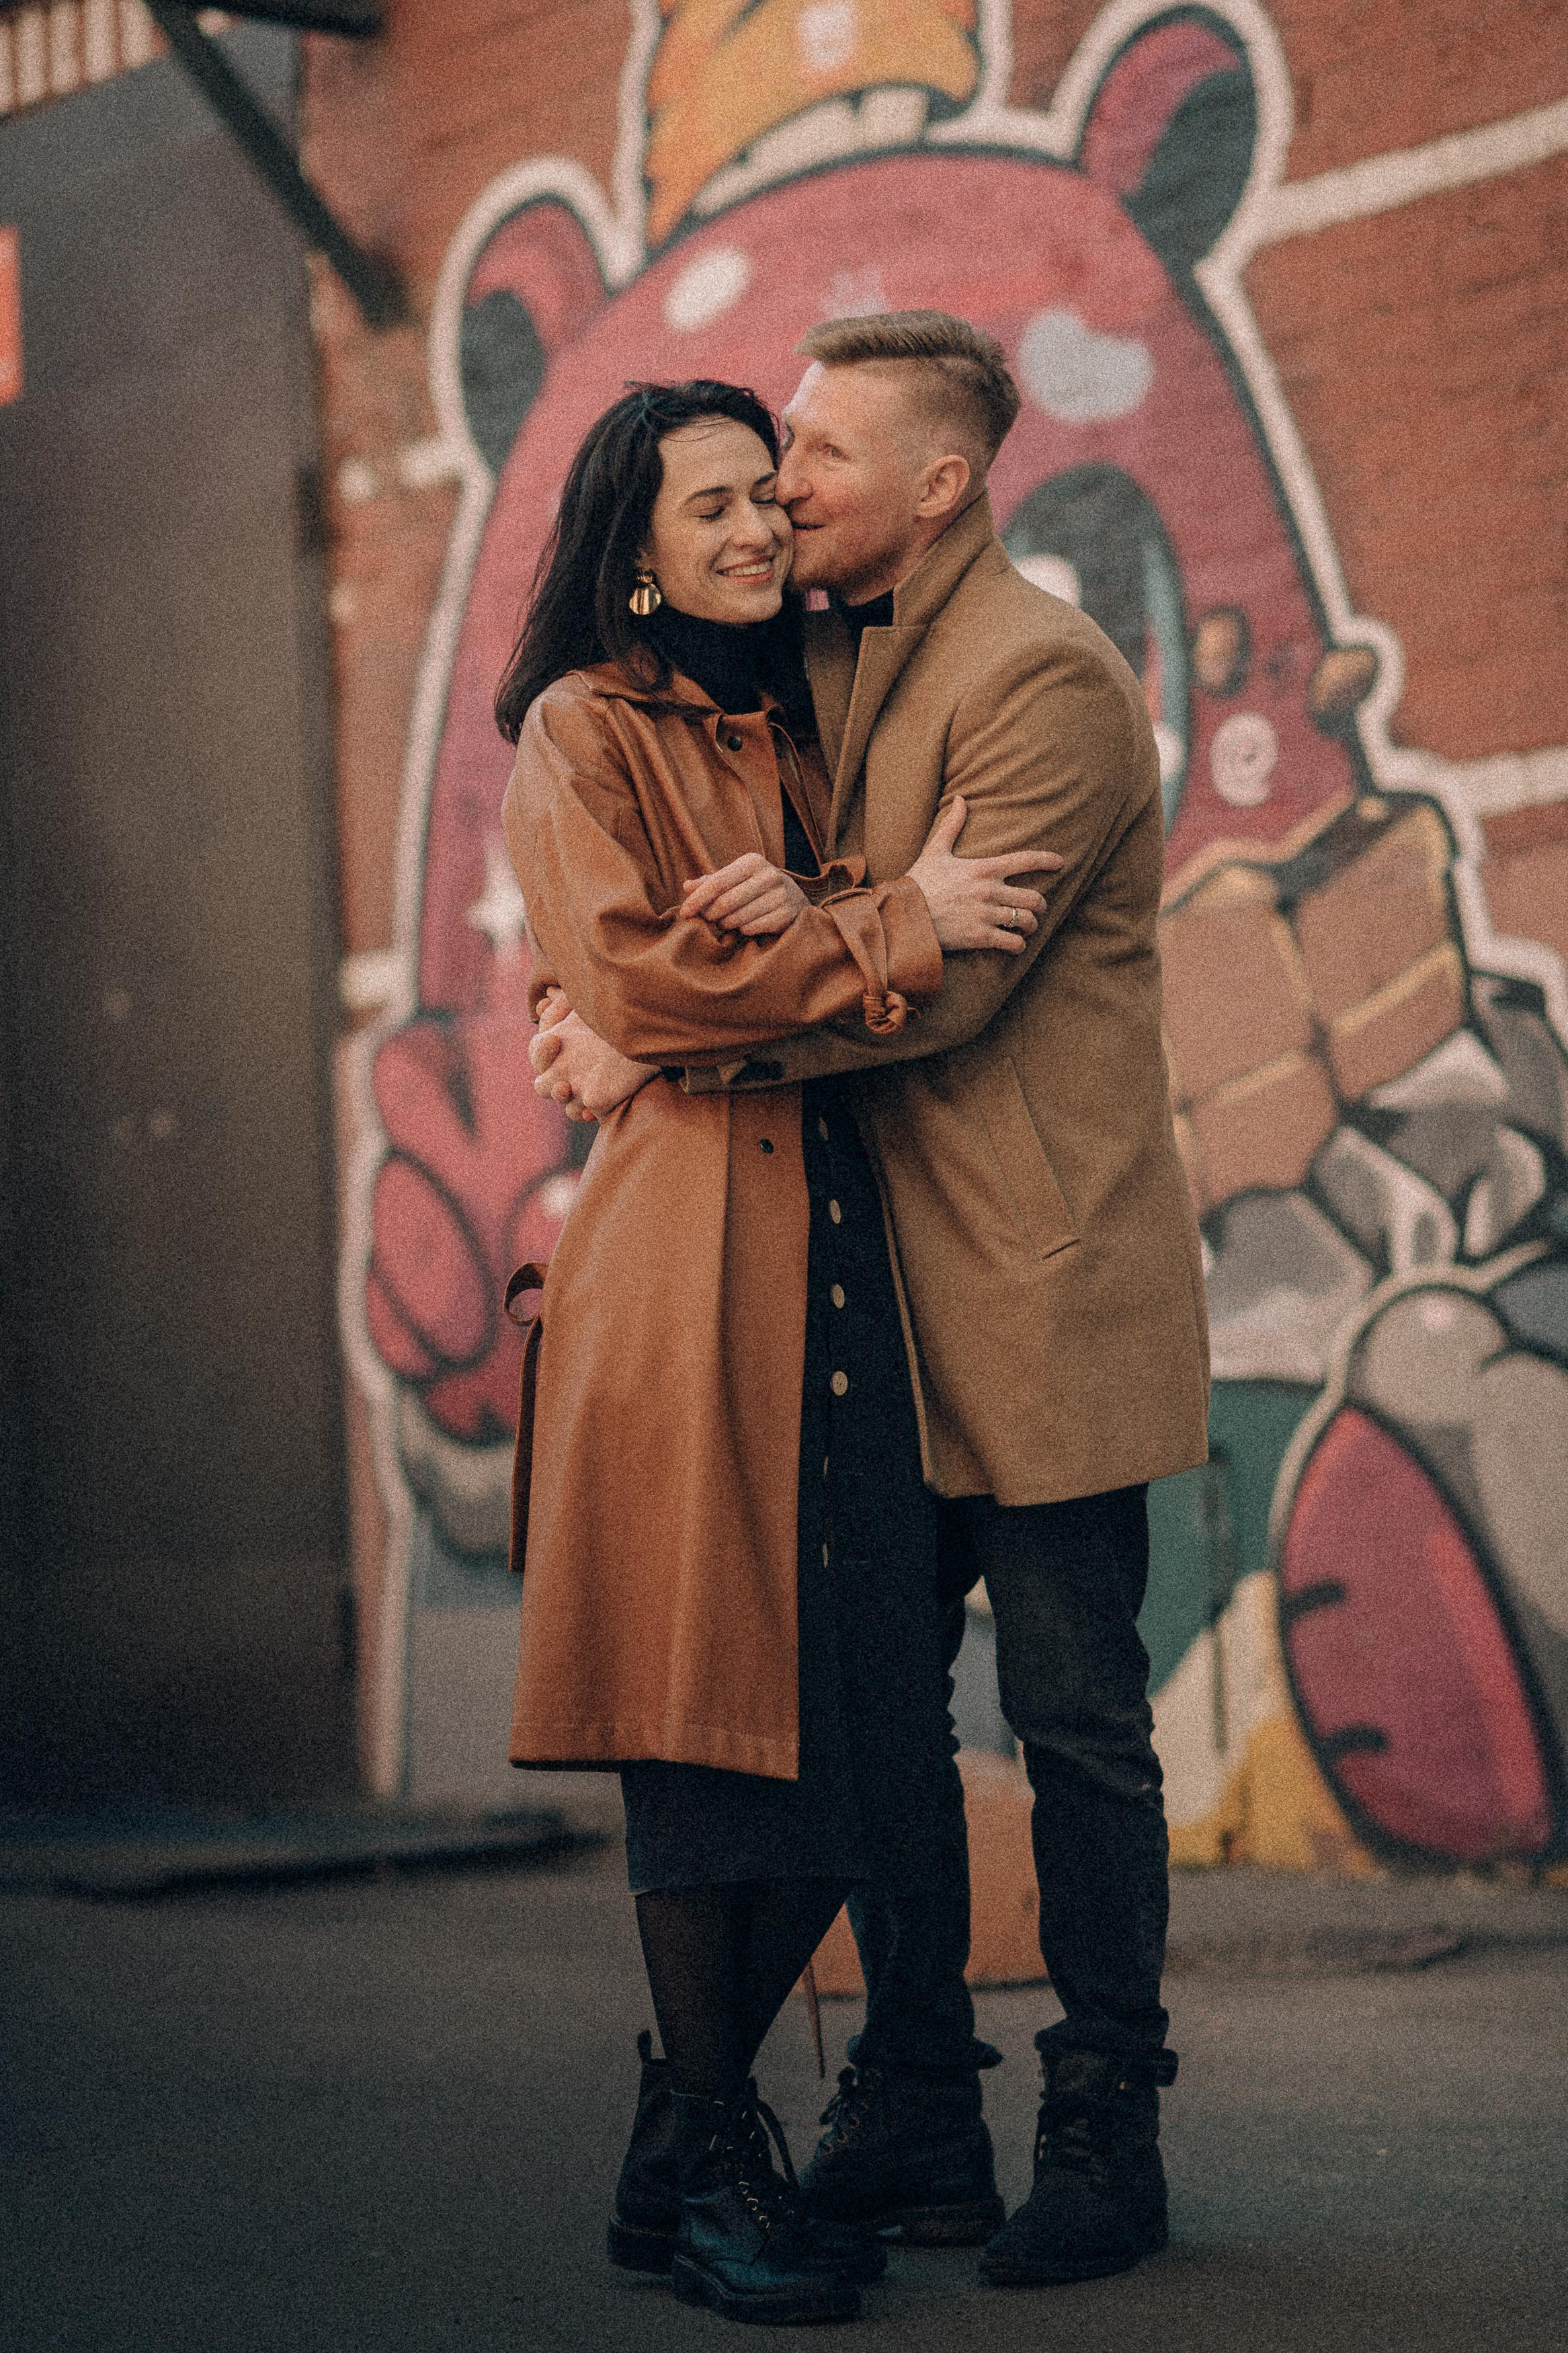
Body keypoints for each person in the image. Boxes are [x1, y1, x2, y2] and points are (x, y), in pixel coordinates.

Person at [530, 313, 1212, 2290]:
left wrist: (669, 1027)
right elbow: (679, 887)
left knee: (1077, 1716)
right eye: (765, 464)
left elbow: (950, 981)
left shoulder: (1046, 683)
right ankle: (915, 2104)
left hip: (1048, 1274)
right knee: (880, 1727)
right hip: (865, 1296)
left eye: (816, 454)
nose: (786, 486)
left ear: (937, 484)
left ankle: (1108, 2122)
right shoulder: (814, 665)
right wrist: (622, 1010)